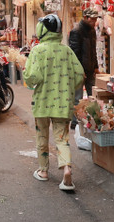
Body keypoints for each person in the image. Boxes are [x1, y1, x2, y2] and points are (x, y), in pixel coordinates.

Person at [22, 14, 84, 191]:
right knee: (62, 138)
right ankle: (67, 169)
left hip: (42, 103)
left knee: (42, 136)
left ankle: (43, 171)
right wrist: (69, 86)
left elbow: (33, 77)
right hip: (63, 103)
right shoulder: (67, 51)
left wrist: (26, 74)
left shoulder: (37, 50)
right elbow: (79, 75)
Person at [68, 7, 99, 101]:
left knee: (93, 97)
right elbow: (74, 54)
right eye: (92, 19)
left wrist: (96, 66)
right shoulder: (76, 31)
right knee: (78, 98)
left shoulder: (92, 31)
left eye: (95, 19)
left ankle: (91, 115)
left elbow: (93, 50)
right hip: (80, 70)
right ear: (85, 17)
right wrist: (79, 70)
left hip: (90, 69)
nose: (94, 22)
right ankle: (76, 115)